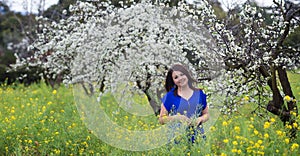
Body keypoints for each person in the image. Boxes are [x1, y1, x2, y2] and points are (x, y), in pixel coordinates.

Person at [159, 63, 209, 143]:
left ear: (187, 75)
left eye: (182, 74)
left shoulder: (199, 93)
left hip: (198, 138)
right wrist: (178, 118)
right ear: (173, 81)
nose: (180, 78)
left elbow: (206, 114)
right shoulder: (169, 96)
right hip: (177, 140)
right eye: (176, 77)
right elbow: (161, 119)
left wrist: (200, 119)